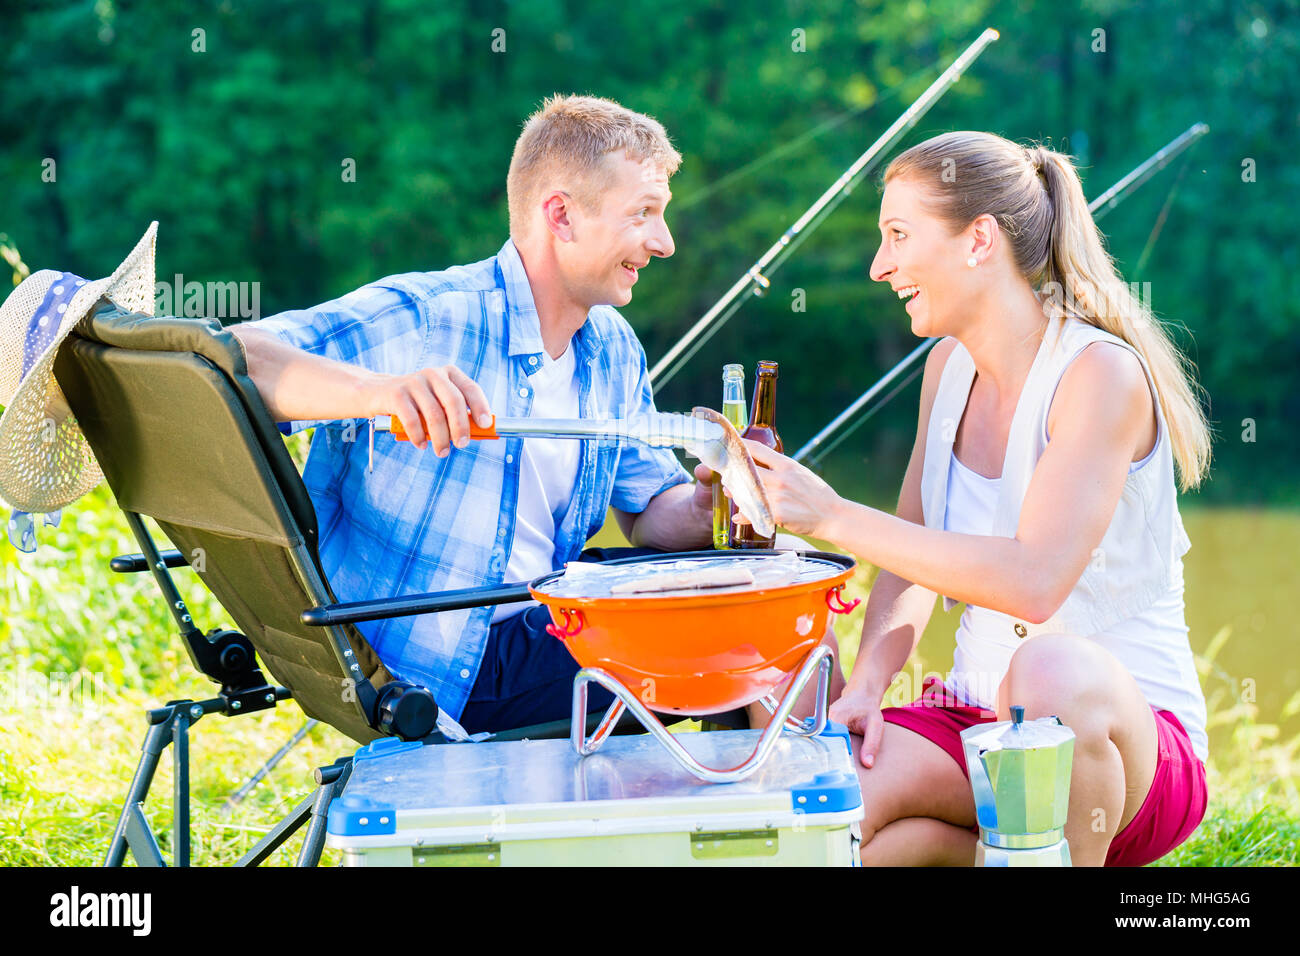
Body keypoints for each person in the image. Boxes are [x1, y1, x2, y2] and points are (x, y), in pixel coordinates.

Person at [724, 130, 1211, 866]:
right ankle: (986, 846)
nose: (879, 265)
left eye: (898, 235)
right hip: (979, 720)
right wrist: (867, 684)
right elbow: (914, 561)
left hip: (1130, 741)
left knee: (1050, 670)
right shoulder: (947, 368)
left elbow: (1034, 582)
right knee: (827, 817)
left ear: (978, 240)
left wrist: (832, 516)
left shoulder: (1098, 376)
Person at [232, 94, 716, 735]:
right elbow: (231, 359)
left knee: (773, 577)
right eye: (644, 215)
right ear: (562, 217)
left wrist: (711, 503)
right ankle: (817, 812)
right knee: (731, 641)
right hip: (433, 671)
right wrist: (378, 393)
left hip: (543, 620)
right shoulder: (430, 315)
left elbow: (652, 513)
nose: (665, 243)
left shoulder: (613, 347)